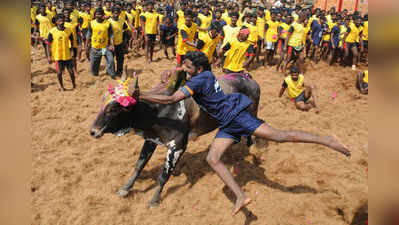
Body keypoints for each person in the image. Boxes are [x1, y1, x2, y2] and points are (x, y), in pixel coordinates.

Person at [138, 51, 350, 216]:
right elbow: (178, 75)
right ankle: (241, 196)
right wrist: (171, 72)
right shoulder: (204, 74)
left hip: (237, 117)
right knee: (213, 158)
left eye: (188, 66)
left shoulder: (198, 80)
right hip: (226, 123)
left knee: (280, 136)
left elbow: (171, 99)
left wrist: (141, 95)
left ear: (199, 68)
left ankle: (327, 140)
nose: (184, 68)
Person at [46, 14, 76, 91]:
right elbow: (48, 45)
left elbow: (72, 41)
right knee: (59, 72)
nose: (62, 22)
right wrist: (49, 56)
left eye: (63, 20)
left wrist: (72, 50)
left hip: (67, 55)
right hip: (57, 56)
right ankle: (62, 86)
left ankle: (74, 85)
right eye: (59, 21)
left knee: (71, 72)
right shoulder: (52, 32)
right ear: (56, 22)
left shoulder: (68, 30)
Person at [85, 7, 116, 78]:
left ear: (103, 15)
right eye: (96, 14)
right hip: (95, 48)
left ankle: (111, 74)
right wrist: (86, 46)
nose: (98, 16)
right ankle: (95, 76)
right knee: (94, 65)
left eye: (100, 14)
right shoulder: (92, 23)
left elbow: (111, 35)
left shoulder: (108, 23)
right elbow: (88, 35)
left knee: (111, 61)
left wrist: (112, 45)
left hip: (105, 47)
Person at [109, 6, 129, 76]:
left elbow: (125, 29)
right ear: (112, 13)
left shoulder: (122, 20)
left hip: (119, 43)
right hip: (110, 44)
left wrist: (125, 41)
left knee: (120, 59)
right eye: (114, 13)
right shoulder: (108, 22)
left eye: (117, 13)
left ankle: (119, 72)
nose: (116, 15)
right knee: (110, 60)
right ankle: (111, 72)